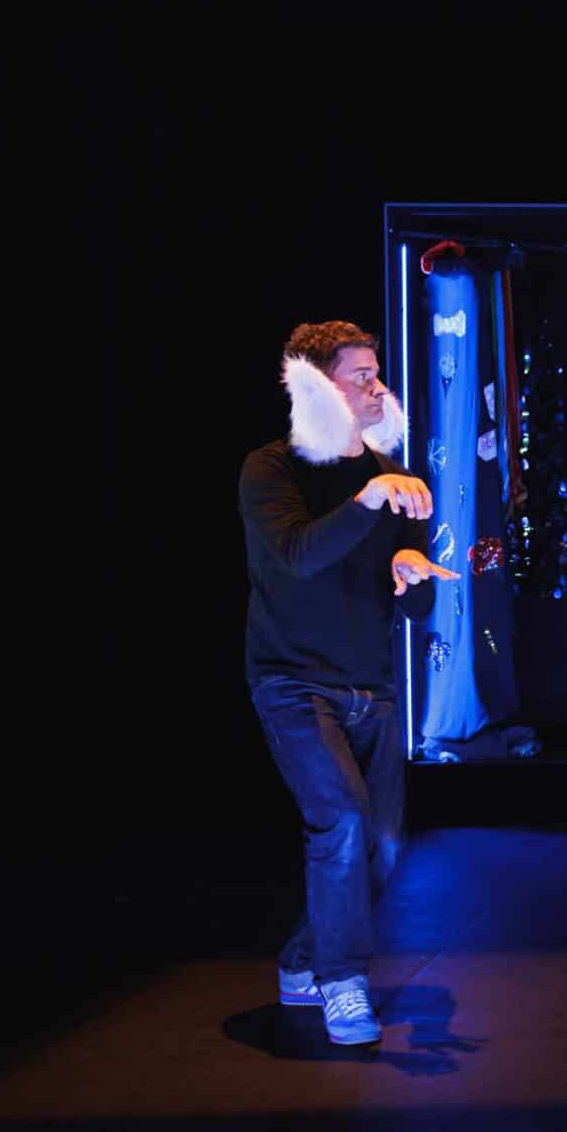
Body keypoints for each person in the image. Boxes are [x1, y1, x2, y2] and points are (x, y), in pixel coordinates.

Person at [238, 322, 458, 1044]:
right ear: (315, 385)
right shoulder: (271, 470)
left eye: (375, 373)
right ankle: (343, 984)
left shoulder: (394, 479)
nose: (375, 386)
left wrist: (413, 580)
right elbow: (299, 554)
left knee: (385, 846)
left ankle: (303, 961)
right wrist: (368, 498)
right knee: (340, 822)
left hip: (373, 687)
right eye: (357, 374)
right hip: (293, 682)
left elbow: (418, 600)